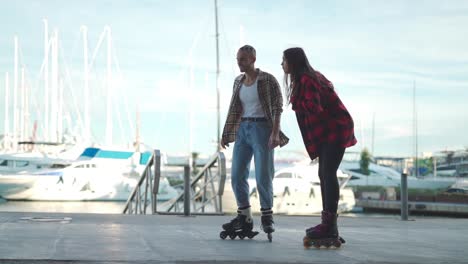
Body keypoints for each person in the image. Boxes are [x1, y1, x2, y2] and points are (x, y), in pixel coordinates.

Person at [281, 47, 357, 247]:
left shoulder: (308, 80)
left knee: (327, 173)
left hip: (336, 129)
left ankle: (329, 225)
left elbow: (314, 108)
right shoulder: (305, 79)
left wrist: (299, 104)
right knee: (324, 174)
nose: (282, 65)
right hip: (330, 131)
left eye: (284, 60)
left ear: (293, 62)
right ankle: (329, 225)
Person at [219, 45, 289, 241]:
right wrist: (227, 133)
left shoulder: (267, 79)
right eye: (237, 59)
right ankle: (245, 216)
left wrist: (275, 133)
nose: (239, 62)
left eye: (242, 59)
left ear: (252, 59)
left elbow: (277, 107)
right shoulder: (238, 82)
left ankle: (267, 216)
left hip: (262, 129)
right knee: (236, 175)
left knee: (262, 176)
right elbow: (235, 109)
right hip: (243, 130)